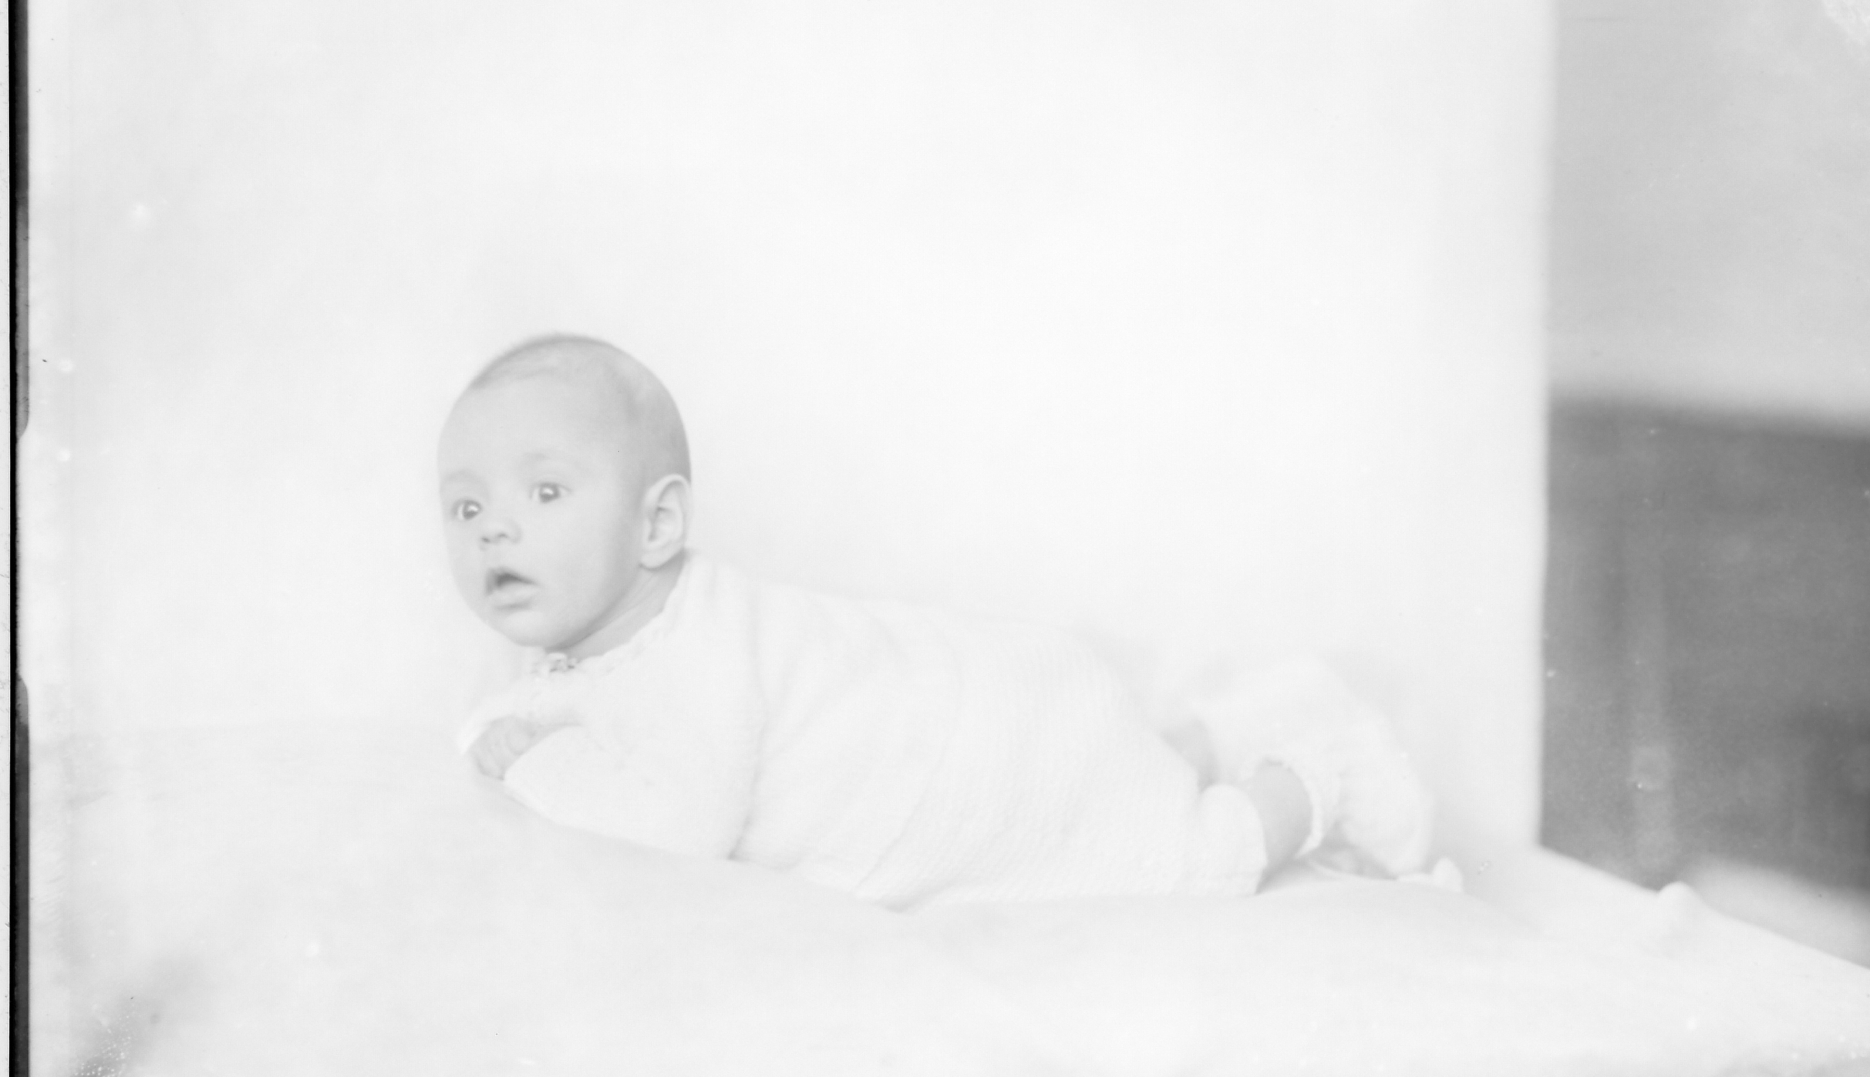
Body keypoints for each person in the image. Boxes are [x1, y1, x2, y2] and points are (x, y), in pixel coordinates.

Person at [439, 333, 1433, 908]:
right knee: (1118, 770)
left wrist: (527, 762)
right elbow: (542, 723)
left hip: (974, 755)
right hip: (1014, 699)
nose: (494, 529)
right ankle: (1213, 733)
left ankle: (1319, 768)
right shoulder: (602, 653)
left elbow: (672, 828)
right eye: (466, 506)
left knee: (1184, 863)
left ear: (657, 523)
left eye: (545, 492)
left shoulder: (695, 645)